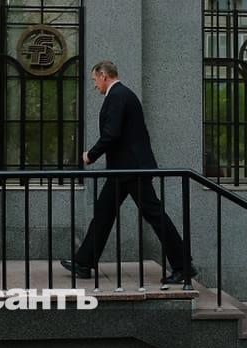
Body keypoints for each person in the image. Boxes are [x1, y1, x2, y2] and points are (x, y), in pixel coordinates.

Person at [61, 60, 196, 286]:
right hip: (124, 169)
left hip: (132, 170)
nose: (95, 85)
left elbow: (111, 134)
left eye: (95, 80)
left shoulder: (118, 95)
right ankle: (84, 262)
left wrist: (91, 155)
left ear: (104, 76)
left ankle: (183, 267)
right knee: (104, 212)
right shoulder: (122, 95)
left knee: (154, 215)